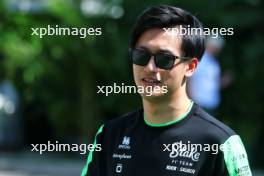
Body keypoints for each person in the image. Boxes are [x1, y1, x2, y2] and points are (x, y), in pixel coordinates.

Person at [81, 5, 252, 176]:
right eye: (141, 54)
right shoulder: (109, 135)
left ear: (191, 67)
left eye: (164, 59)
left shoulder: (222, 143)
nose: (149, 67)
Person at [188, 36, 225, 113]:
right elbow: (190, 79)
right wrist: (191, 100)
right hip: (199, 103)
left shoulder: (214, 63)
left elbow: (215, 84)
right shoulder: (199, 59)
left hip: (212, 103)